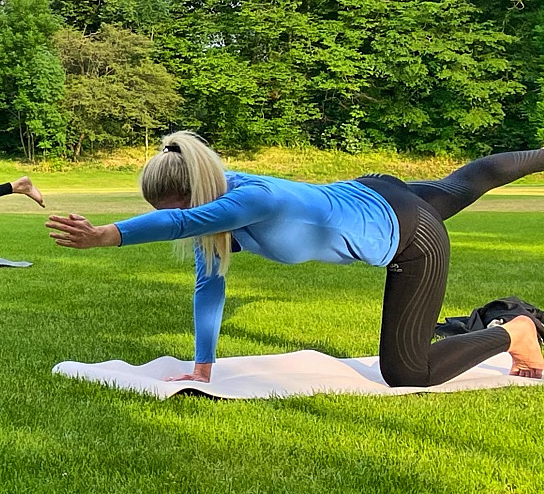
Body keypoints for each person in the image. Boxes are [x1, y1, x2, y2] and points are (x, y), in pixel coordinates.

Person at [45, 131, 544, 385]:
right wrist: (202, 365)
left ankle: (513, 331)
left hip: (411, 237)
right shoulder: (221, 204)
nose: (195, 221)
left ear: (196, 192)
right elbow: (209, 285)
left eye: (184, 209)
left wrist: (110, 235)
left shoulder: (252, 199)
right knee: (468, 181)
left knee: (408, 373)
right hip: (375, 194)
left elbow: (179, 223)